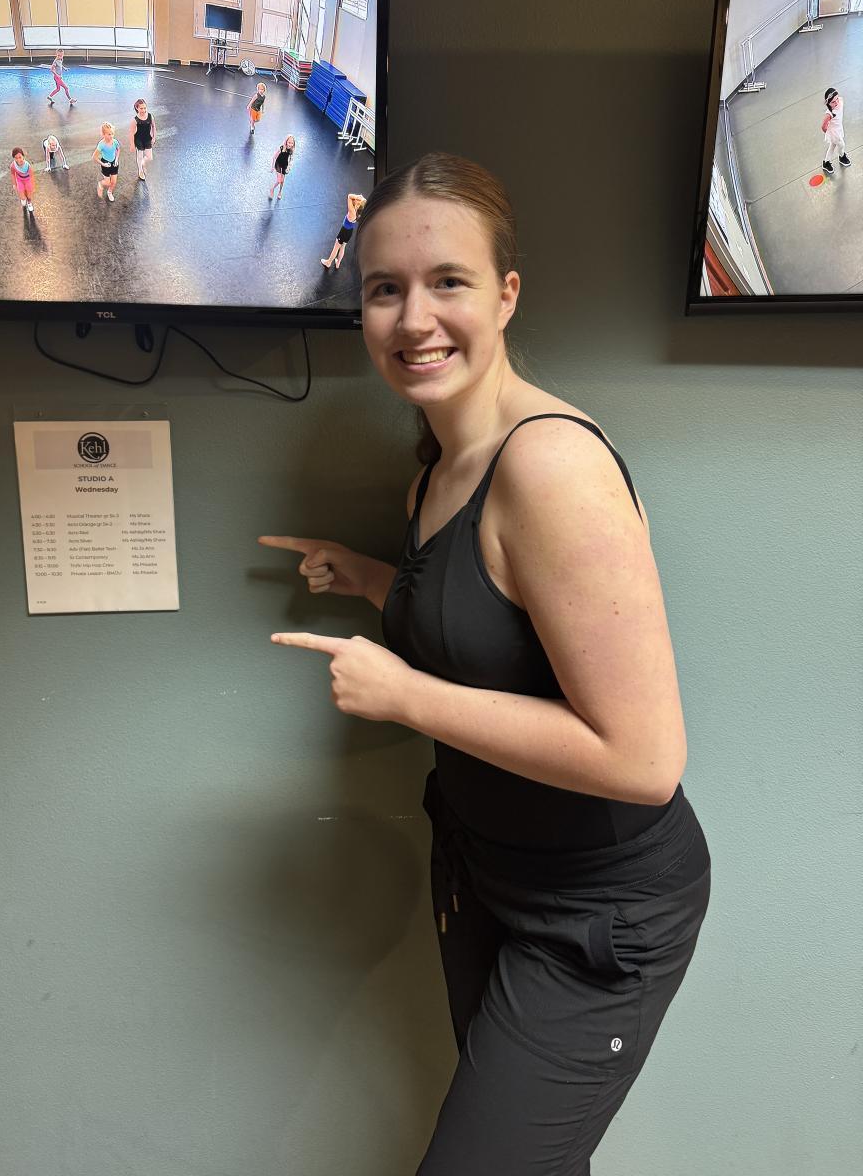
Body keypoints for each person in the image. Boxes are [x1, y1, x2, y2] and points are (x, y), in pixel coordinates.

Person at [260, 152, 710, 1175]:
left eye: (448, 281)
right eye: (386, 289)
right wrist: (373, 578)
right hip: (485, 866)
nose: (414, 318)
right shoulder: (438, 467)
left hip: (600, 913)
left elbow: (645, 760)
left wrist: (407, 696)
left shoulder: (549, 465)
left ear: (506, 295)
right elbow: (488, 618)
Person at [321, 191, 366, 268]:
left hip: (344, 231)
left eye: (358, 202)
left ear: (358, 206)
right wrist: (361, 200)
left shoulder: (352, 212)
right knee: (343, 247)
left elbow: (349, 196)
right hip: (350, 232)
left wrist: (357, 197)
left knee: (336, 247)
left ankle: (328, 262)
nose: (356, 201)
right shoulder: (359, 214)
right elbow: (360, 202)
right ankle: (338, 263)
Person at [821, 86, 850, 175]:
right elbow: (823, 126)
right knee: (841, 145)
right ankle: (842, 156)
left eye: (837, 99)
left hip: (838, 129)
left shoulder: (840, 101)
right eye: (833, 102)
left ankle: (826, 162)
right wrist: (830, 133)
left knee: (832, 146)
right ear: (828, 103)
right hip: (834, 133)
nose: (836, 102)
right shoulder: (829, 113)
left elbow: (838, 100)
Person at [94, 122, 121, 202]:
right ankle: (100, 184)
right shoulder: (101, 145)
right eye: (109, 134)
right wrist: (103, 164)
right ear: (103, 134)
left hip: (114, 163)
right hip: (105, 163)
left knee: (114, 182)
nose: (111, 136)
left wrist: (116, 159)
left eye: (112, 134)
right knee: (107, 182)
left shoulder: (115, 142)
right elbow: (94, 157)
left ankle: (109, 192)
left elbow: (118, 149)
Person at [131, 98, 156, 181]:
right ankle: (140, 171)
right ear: (137, 108)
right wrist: (132, 144)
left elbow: (153, 127)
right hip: (139, 139)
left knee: (149, 157)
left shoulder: (150, 116)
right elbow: (131, 133)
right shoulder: (135, 120)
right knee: (140, 156)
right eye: (141, 108)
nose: (143, 110)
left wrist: (154, 137)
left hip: (147, 138)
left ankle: (143, 163)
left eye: (145, 108)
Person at [10, 147, 35, 212]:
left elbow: (31, 176)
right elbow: (12, 174)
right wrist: (14, 184)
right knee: (22, 196)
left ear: (23, 156)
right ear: (13, 158)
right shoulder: (13, 165)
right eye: (16, 158)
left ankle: (29, 203)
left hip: (27, 180)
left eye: (20, 157)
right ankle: (23, 199)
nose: (18, 160)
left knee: (29, 194)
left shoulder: (27, 165)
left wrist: (32, 185)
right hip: (20, 180)